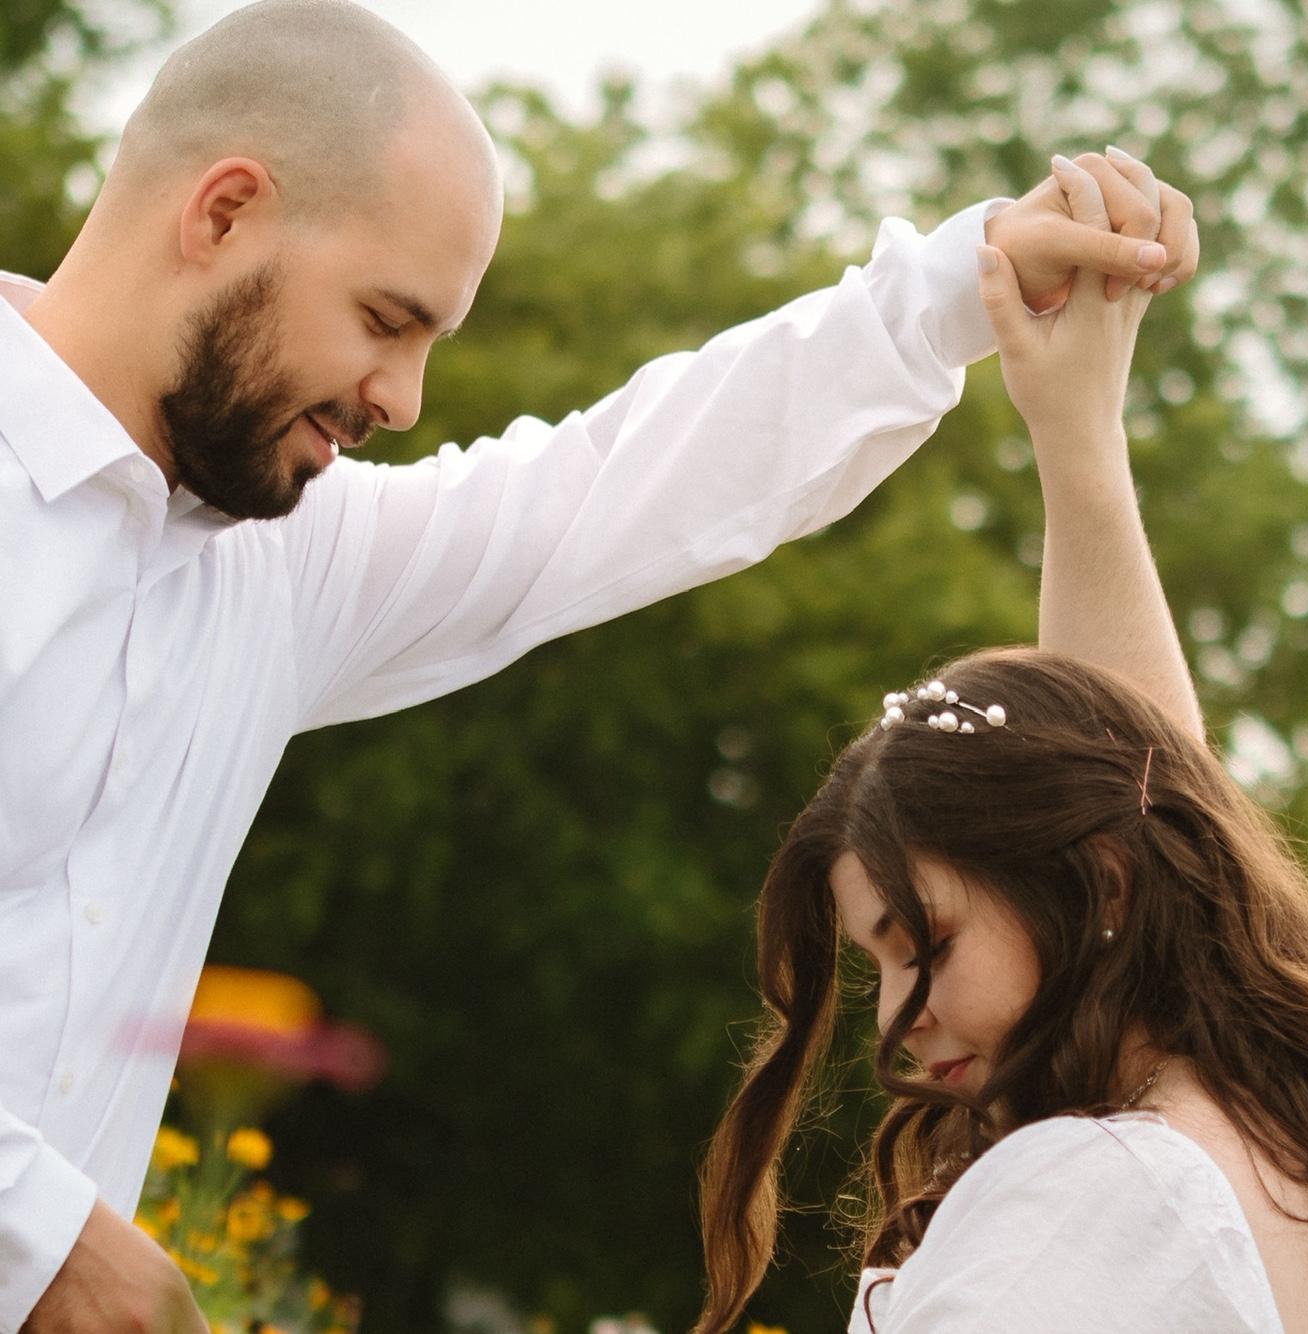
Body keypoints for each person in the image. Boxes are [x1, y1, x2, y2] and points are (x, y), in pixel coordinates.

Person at [0, 0, 1199, 1326]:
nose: (400, 397)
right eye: (385, 318)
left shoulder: (270, 565)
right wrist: (37, 1234)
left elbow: (611, 487)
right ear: (224, 214)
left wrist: (959, 292)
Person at [695, 157, 1308, 1333]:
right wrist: (1076, 434)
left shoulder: (1104, 1185)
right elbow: (1143, 780)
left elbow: (1129, 790)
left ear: (1100, 883)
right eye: (879, 966)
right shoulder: (1268, 1130)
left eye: (925, 942)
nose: (896, 1020)